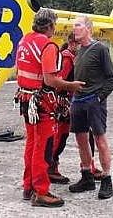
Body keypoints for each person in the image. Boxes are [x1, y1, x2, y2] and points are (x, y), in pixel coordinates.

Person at [16, 8, 83, 208]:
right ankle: (41, 191)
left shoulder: (24, 41)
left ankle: (28, 186)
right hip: (42, 101)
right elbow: (50, 79)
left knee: (31, 143)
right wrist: (72, 86)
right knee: (43, 146)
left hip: (26, 99)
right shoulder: (48, 46)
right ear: (51, 25)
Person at [68, 15, 113, 200]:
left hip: (93, 102)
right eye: (74, 26)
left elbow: (112, 77)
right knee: (81, 139)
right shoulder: (79, 51)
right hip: (78, 101)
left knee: (100, 139)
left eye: (78, 25)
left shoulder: (100, 49)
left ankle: (106, 178)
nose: (74, 29)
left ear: (88, 28)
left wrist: (99, 97)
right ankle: (87, 176)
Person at [47, 33, 80, 184]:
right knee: (59, 137)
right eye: (78, 43)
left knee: (62, 136)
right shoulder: (67, 58)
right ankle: (50, 168)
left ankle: (52, 167)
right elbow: (59, 82)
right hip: (63, 104)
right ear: (72, 43)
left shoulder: (68, 56)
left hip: (65, 102)